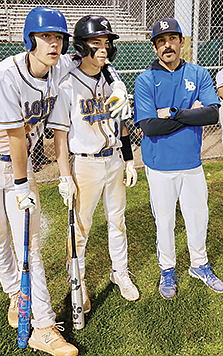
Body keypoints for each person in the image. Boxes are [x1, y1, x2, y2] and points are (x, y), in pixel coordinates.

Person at [0, 7, 128, 356]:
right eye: (45, 37)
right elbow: (16, 139)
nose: (54, 44)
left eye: (58, 38)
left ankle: (44, 327)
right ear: (29, 39)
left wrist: (114, 83)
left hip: (19, 168)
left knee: (31, 249)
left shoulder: (60, 68)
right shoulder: (4, 75)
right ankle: (14, 295)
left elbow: (97, 58)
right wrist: (22, 185)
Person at [49, 15, 139, 314]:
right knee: (80, 228)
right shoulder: (67, 84)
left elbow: (122, 124)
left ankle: (120, 272)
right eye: (96, 43)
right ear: (80, 46)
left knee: (118, 220)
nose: (104, 49)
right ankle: (79, 280)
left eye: (106, 43)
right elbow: (59, 137)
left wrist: (128, 159)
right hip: (85, 165)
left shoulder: (112, 81)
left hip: (113, 159)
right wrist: (64, 176)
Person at [134, 18, 223, 300]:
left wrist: (172, 112)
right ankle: (168, 269)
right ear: (154, 47)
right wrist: (189, 113)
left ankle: (199, 265)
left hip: (192, 163)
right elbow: (149, 126)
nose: (167, 45)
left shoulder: (198, 74)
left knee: (198, 217)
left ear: (182, 41)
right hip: (160, 164)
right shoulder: (145, 79)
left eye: (172, 38)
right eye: (161, 41)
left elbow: (212, 114)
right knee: (164, 221)